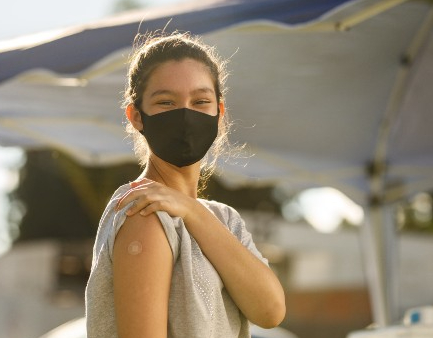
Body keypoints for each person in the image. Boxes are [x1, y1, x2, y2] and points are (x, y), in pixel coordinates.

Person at [85, 31, 286, 338]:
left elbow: (271, 311)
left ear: (219, 113)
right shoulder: (143, 209)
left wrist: (192, 211)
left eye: (201, 101)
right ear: (136, 116)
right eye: (166, 102)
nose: (186, 114)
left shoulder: (224, 220)